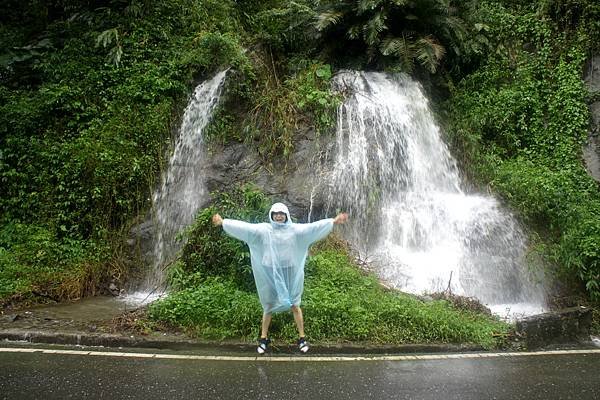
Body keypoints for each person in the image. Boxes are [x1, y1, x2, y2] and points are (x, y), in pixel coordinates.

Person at [212, 203, 348, 354]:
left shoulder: (294, 230)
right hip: (269, 271)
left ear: (286, 215)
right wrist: (224, 222)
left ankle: (302, 338)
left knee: (294, 304)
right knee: (268, 305)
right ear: (271, 215)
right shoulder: (264, 229)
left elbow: (312, 228)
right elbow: (245, 227)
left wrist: (333, 222)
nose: (278, 215)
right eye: (275, 213)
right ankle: (263, 339)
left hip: (289, 270)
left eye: (281, 213)